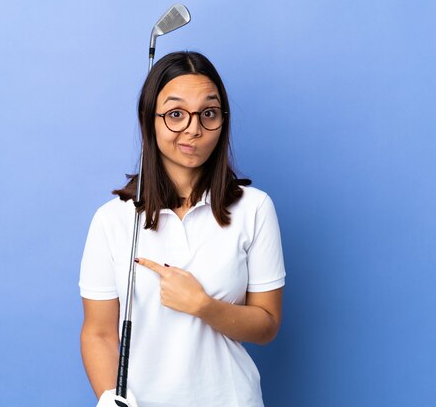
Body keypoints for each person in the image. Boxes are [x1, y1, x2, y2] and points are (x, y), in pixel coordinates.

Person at [79, 51, 286, 407]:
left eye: (208, 113)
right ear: (150, 119)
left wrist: (204, 306)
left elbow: (267, 324)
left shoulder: (255, 208)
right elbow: (98, 332)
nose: (193, 128)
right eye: (176, 114)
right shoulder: (113, 220)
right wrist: (109, 397)